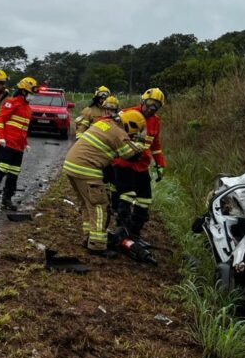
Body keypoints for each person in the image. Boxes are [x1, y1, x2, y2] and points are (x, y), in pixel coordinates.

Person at [63, 109, 146, 256]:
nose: (132, 134)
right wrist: (140, 144)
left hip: (71, 166)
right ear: (131, 125)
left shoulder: (104, 123)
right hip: (87, 169)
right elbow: (131, 155)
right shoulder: (119, 133)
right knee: (99, 206)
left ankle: (88, 237)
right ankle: (97, 245)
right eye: (135, 131)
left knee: (87, 204)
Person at [112, 88, 167, 239]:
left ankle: (134, 232)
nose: (152, 108)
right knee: (126, 196)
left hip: (142, 164)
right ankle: (122, 229)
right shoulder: (126, 114)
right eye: (150, 103)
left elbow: (155, 145)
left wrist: (160, 164)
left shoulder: (155, 121)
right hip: (124, 163)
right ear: (143, 101)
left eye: (156, 105)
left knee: (145, 199)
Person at [0, 77, 38, 212]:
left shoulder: (28, 109)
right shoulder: (11, 103)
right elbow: (0, 121)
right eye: (30, 93)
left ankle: (7, 199)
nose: (32, 96)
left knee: (14, 174)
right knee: (1, 170)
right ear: (23, 91)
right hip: (6, 144)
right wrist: (1, 138)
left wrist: (25, 143)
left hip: (18, 147)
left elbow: (23, 129)